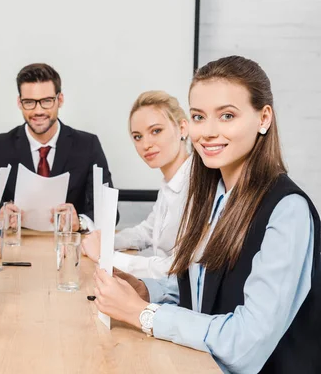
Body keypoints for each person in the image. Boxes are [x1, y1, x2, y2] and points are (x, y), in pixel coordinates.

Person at [92, 55, 320, 373]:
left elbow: (246, 344)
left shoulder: (287, 211)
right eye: (199, 116)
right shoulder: (213, 195)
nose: (208, 132)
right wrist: (147, 290)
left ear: (264, 118)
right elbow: (205, 288)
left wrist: (144, 314)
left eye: (227, 115)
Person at [0, 63, 116, 232]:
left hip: (69, 249)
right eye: (29, 102)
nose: (38, 111)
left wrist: (79, 222)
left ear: (60, 100)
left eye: (46, 101)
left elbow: (110, 211)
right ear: (19, 103)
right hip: (16, 249)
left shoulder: (87, 145)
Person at [81, 91, 191, 278]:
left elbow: (176, 268)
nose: (145, 144)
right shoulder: (170, 183)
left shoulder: (197, 186)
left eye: (156, 131)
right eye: (138, 137)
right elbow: (146, 232)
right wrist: (107, 241)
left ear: (182, 128)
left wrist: (106, 255)